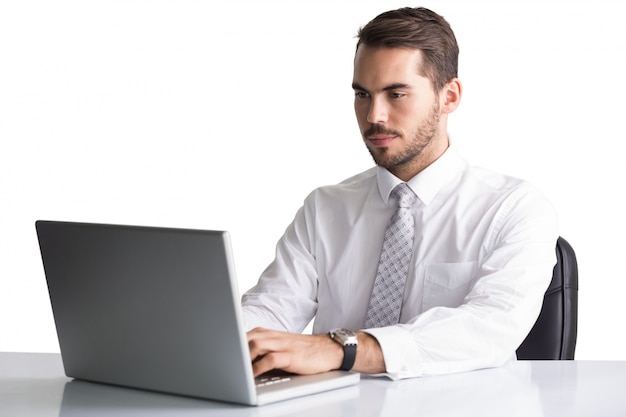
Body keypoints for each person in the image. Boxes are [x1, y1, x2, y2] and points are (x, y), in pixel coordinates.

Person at [242, 6, 558, 380]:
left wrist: (341, 349)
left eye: (396, 94)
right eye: (363, 94)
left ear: (449, 96)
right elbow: (271, 309)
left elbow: (489, 328)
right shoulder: (325, 208)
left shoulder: (513, 208)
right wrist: (220, 340)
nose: (374, 115)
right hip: (337, 408)